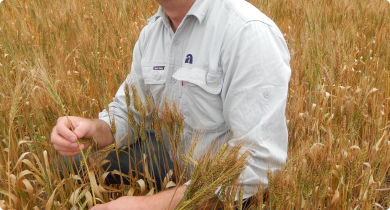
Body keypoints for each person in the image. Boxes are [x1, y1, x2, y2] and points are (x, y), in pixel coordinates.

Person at [50, 0, 291, 209]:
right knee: (70, 162)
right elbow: (128, 113)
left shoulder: (246, 32)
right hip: (174, 160)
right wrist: (92, 128)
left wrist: (147, 205)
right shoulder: (152, 35)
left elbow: (258, 160)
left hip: (230, 192)